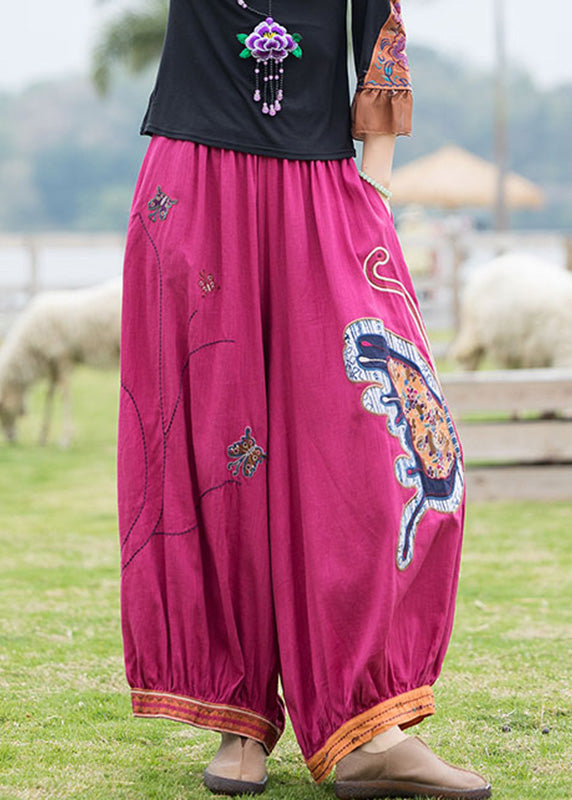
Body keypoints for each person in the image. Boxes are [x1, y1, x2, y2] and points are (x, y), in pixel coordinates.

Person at [116, 1, 492, 798]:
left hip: (324, 187)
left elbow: (381, 38)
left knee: (381, 445)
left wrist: (374, 190)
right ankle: (237, 717)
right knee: (219, 452)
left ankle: (370, 728)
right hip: (197, 183)